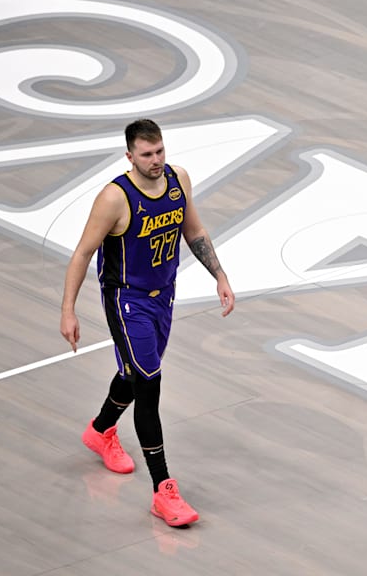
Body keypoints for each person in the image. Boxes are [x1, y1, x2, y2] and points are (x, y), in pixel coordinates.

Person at [60, 118, 235, 527]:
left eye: (159, 152)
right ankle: (164, 491)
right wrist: (68, 310)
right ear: (129, 156)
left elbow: (194, 231)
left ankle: (101, 429)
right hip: (127, 300)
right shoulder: (115, 198)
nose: (156, 160)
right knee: (149, 384)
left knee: (135, 373)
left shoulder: (179, 180)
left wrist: (220, 275)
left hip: (164, 296)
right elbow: (83, 253)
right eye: (146, 154)